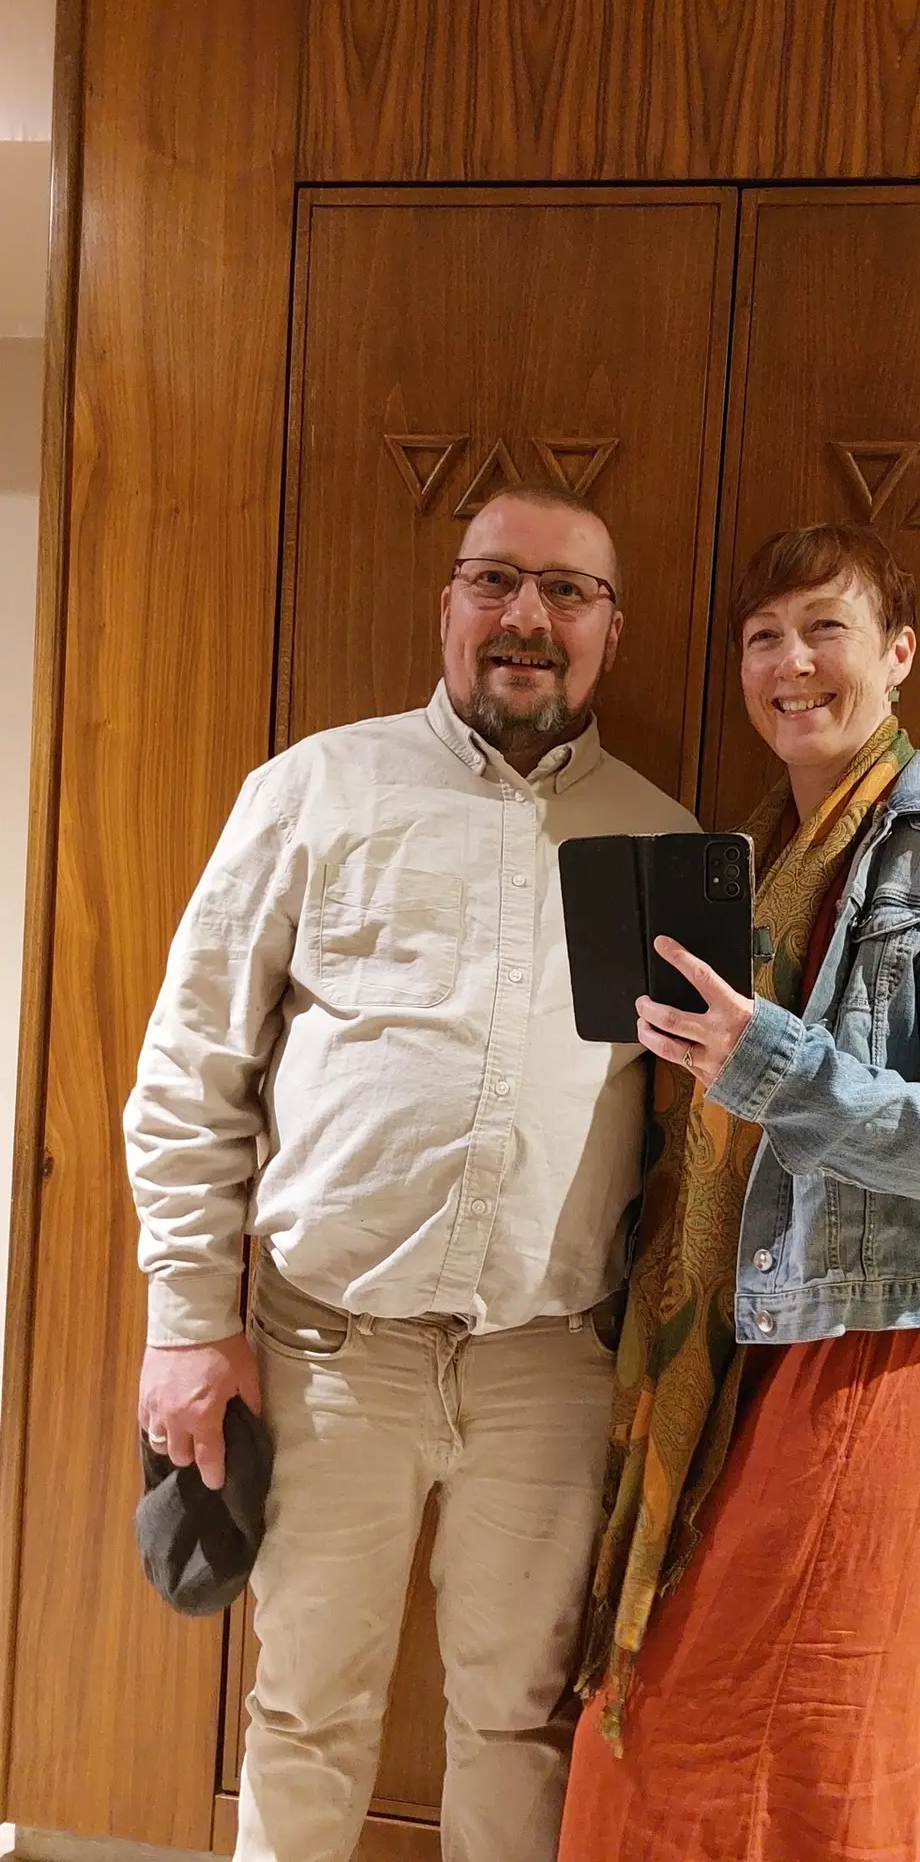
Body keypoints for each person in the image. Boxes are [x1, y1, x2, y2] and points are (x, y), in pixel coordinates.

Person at [124, 486, 697, 1862]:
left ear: (609, 630)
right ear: (447, 606)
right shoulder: (314, 790)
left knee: (519, 1724)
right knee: (303, 1713)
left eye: (566, 592)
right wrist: (188, 1319)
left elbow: (697, 1130)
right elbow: (192, 1065)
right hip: (326, 1351)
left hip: (550, 1369)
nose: (527, 617)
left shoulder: (664, 843)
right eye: (495, 581)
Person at [560, 523, 920, 1862]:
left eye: (825, 629)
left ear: (897, 654)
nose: (791, 664)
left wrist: (778, 1069)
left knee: (818, 1743)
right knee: (664, 1729)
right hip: (738, 1340)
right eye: (762, 638)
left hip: (880, 1344)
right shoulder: (759, 854)